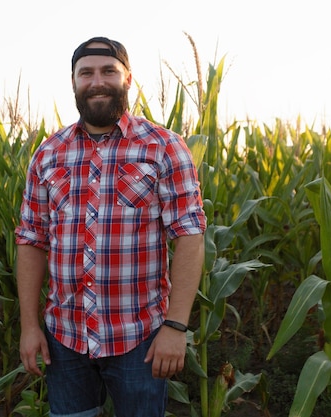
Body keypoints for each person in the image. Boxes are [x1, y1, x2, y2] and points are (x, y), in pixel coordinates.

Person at [15, 36, 206, 417]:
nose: (97, 81)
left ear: (128, 79)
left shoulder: (163, 147)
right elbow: (31, 240)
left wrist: (176, 327)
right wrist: (29, 326)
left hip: (139, 338)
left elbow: (189, 235)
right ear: (73, 83)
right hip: (64, 338)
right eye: (86, 73)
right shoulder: (49, 153)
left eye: (108, 71)